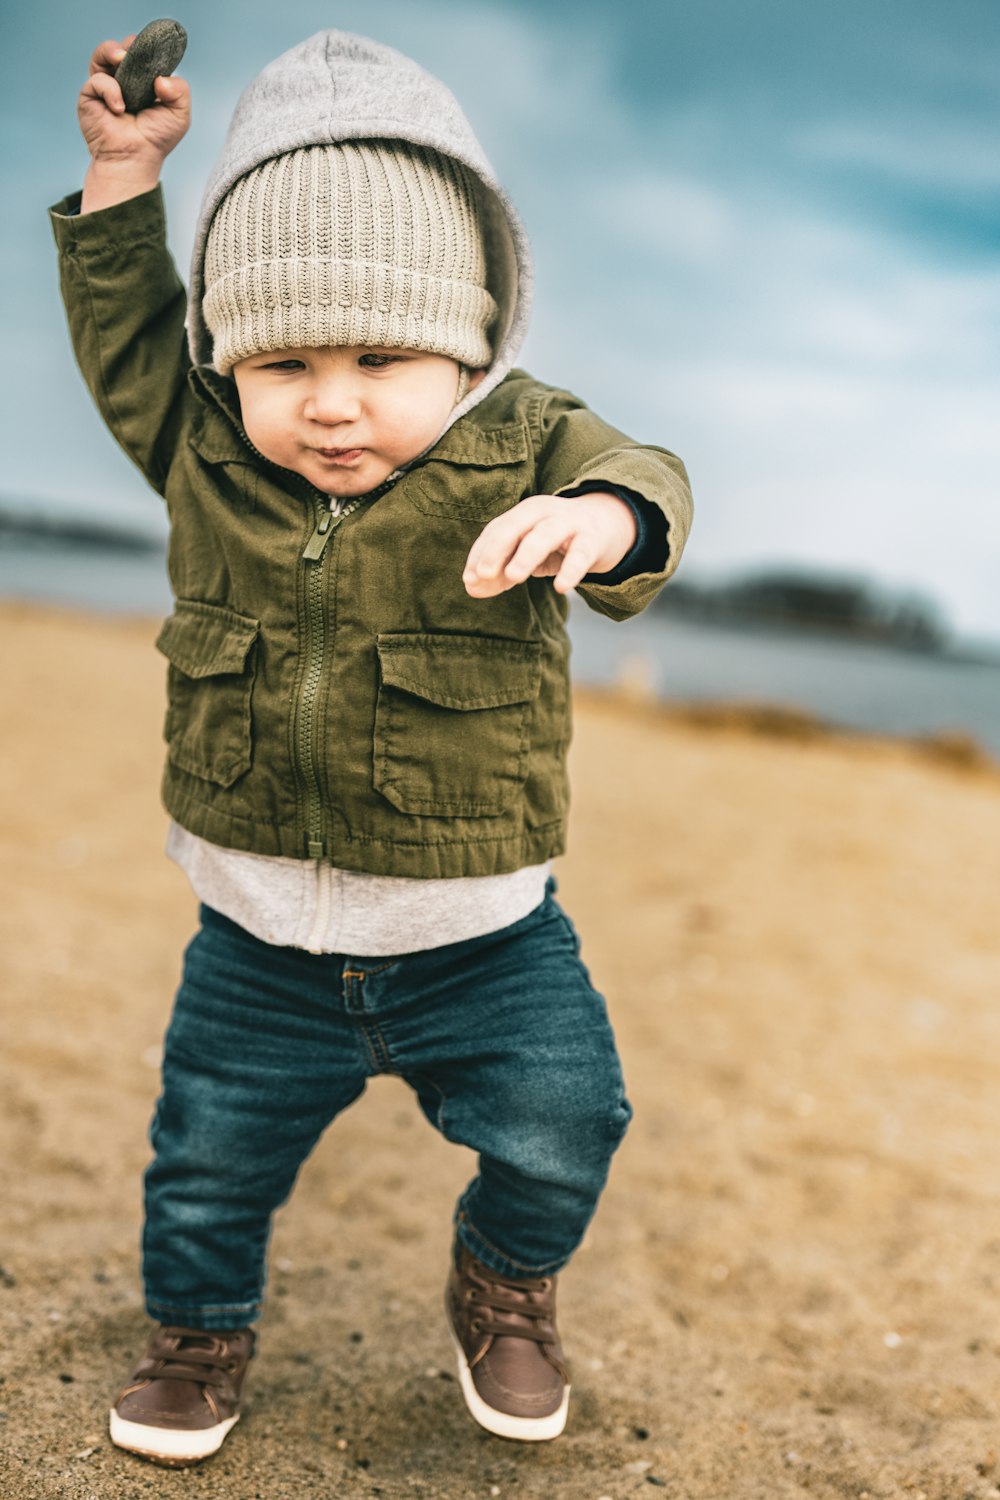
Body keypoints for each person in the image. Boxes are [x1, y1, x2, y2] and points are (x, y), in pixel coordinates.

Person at [51, 25, 693, 1467]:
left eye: (379, 359)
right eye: (284, 362)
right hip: (257, 939)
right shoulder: (206, 445)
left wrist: (601, 524)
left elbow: (644, 475)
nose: (330, 402)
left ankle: (505, 1286)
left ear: (464, 341)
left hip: (483, 936)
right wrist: (120, 177)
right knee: (205, 1166)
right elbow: (125, 331)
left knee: (567, 1120)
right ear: (230, 361)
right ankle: (197, 1334)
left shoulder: (523, 438)